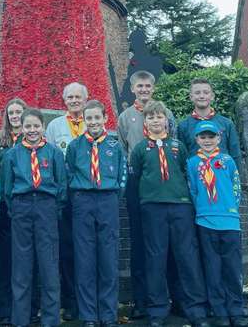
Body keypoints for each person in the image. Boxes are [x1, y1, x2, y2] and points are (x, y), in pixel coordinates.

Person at [129, 100, 209, 327]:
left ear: (166, 120)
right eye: (151, 117)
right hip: (152, 208)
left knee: (187, 257)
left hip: (180, 205)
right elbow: (134, 182)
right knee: (155, 259)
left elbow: (186, 174)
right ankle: (157, 311)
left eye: (159, 116)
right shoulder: (139, 149)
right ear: (146, 121)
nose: (155, 120)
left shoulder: (178, 146)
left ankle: (195, 310)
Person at [116, 70, 177, 320]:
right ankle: (141, 301)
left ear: (153, 88)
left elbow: (173, 143)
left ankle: (173, 297)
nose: (143, 90)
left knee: (168, 243)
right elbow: (122, 150)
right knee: (140, 242)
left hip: (163, 181)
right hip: (137, 182)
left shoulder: (166, 114)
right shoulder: (125, 117)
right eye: (139, 86)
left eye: (147, 86)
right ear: (133, 89)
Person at [1, 108, 67, 327]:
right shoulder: (12, 154)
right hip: (21, 207)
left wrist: (52, 208)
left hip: (47, 208)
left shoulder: (54, 153)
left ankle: (50, 319)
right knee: (21, 266)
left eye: (35, 125)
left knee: (49, 265)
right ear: (22, 128)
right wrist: (17, 208)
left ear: (42, 127)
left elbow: (61, 186)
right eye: (27, 126)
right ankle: (20, 319)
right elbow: (7, 189)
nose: (32, 130)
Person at [65, 100, 126, 327]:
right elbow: (68, 173)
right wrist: (79, 196)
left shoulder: (114, 146)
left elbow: (122, 176)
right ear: (83, 120)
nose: (92, 122)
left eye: (96, 118)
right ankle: (89, 315)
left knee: (108, 259)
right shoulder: (75, 146)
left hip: (108, 200)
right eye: (88, 118)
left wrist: (111, 197)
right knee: (85, 260)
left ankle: (108, 315)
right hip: (82, 201)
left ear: (105, 119)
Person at [186, 121, 248, 327]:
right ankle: (219, 311)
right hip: (205, 221)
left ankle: (236, 310)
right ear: (197, 140)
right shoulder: (192, 163)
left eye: (211, 137)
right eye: (203, 137)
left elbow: (236, 186)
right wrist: (202, 210)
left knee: (232, 268)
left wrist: (231, 209)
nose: (207, 141)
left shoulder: (227, 160)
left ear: (218, 139)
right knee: (212, 269)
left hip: (229, 221)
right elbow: (193, 190)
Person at [44, 82, 86, 321]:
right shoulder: (55, 126)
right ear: (64, 100)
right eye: (69, 97)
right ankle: (71, 301)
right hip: (65, 195)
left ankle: (89, 299)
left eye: (78, 97)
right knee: (68, 250)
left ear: (85, 98)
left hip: (88, 194)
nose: (74, 101)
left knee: (88, 250)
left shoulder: (92, 122)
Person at [0, 98, 32, 327]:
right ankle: (6, 309)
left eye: (19, 112)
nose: (15, 115)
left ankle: (29, 307)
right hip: (6, 206)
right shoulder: (1, 142)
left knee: (27, 259)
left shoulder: (33, 140)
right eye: (12, 112)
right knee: (6, 259)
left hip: (28, 204)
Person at [177, 78, 241, 170]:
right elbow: (182, 158)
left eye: (206, 92)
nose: (202, 96)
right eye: (197, 93)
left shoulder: (227, 124)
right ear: (191, 97)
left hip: (223, 177)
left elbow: (236, 155)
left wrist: (238, 181)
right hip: (196, 178)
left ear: (212, 96)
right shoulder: (183, 126)